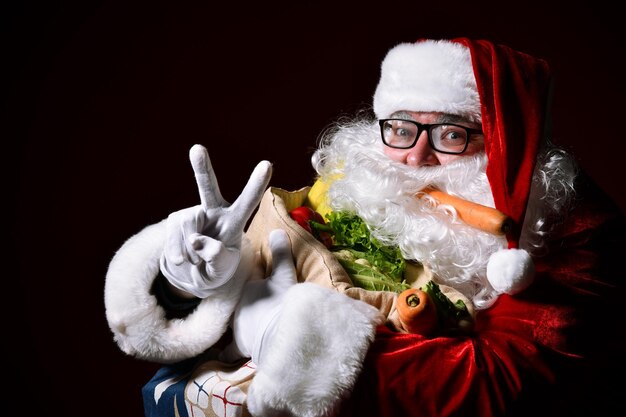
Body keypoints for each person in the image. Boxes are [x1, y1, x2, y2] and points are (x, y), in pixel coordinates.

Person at [104, 37, 626, 417]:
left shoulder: (566, 225)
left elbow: (502, 383)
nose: (417, 157)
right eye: (400, 128)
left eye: (452, 134)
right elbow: (202, 318)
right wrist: (188, 280)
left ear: (501, 145)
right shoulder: (352, 188)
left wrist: (287, 358)